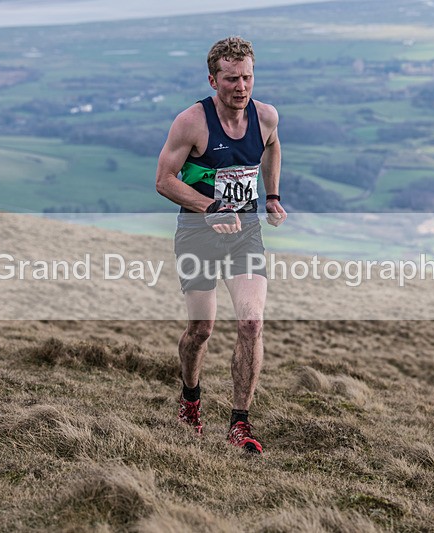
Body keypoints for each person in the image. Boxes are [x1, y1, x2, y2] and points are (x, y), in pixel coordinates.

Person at [155, 36, 287, 454]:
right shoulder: (191, 122)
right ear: (213, 79)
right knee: (201, 330)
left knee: (251, 322)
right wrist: (209, 207)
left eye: (247, 77)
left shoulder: (266, 116)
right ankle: (190, 398)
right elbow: (164, 181)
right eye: (231, 79)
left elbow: (271, 148)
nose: (241, 87)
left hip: (245, 232)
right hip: (197, 233)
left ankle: (239, 423)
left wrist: (271, 197)